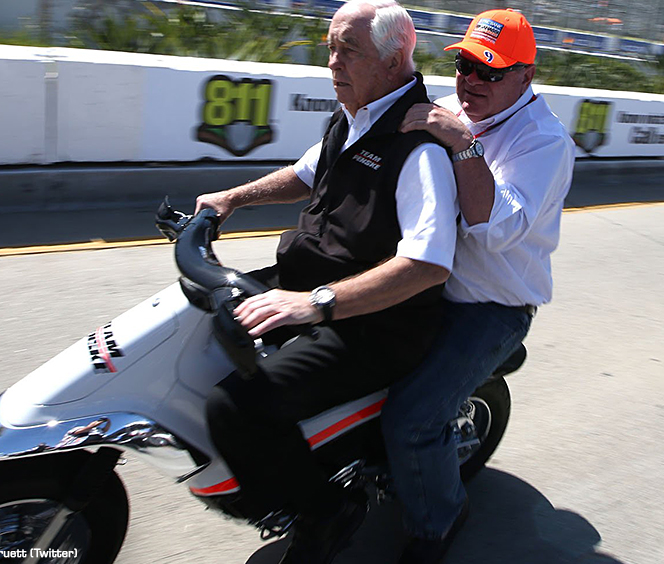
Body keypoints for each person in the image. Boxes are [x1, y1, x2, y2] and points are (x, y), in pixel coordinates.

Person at [194, 1, 459, 563]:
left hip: (374, 325)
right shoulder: (354, 115)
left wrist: (316, 304)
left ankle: (325, 513)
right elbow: (306, 173)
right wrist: (232, 199)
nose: (333, 63)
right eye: (330, 47)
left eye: (349, 51)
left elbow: (430, 261)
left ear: (394, 61)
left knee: (233, 408)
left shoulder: (418, 144)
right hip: (316, 292)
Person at [381, 8, 576, 564]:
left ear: (525, 77)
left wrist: (463, 144)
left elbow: (495, 231)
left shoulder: (543, 142)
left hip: (490, 305)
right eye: (467, 64)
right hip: (423, 279)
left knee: (413, 419)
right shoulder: (446, 109)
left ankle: (438, 520)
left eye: (490, 72)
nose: (471, 81)